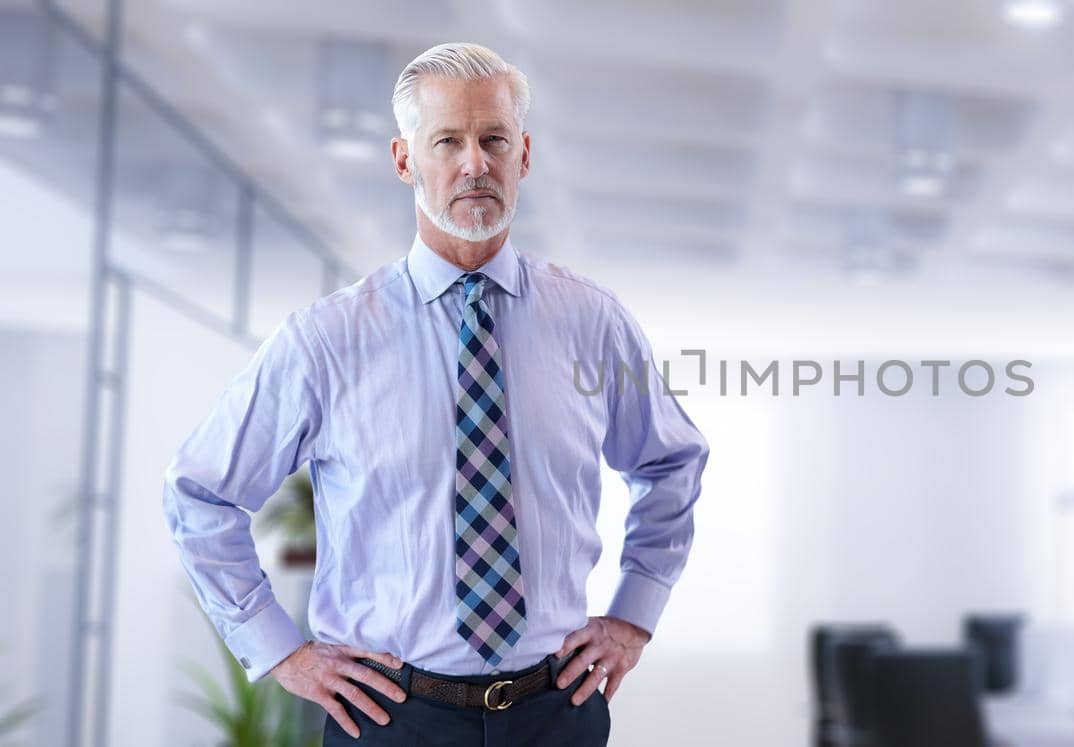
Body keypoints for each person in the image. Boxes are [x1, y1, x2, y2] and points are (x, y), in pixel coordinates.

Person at [162, 42, 709, 746]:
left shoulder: (593, 323)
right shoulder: (324, 342)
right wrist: (280, 649)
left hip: (556, 713)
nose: (475, 162)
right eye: (447, 140)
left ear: (524, 156)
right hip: (390, 717)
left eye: (494, 140)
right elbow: (200, 491)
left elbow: (671, 462)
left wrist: (634, 613)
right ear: (404, 160)